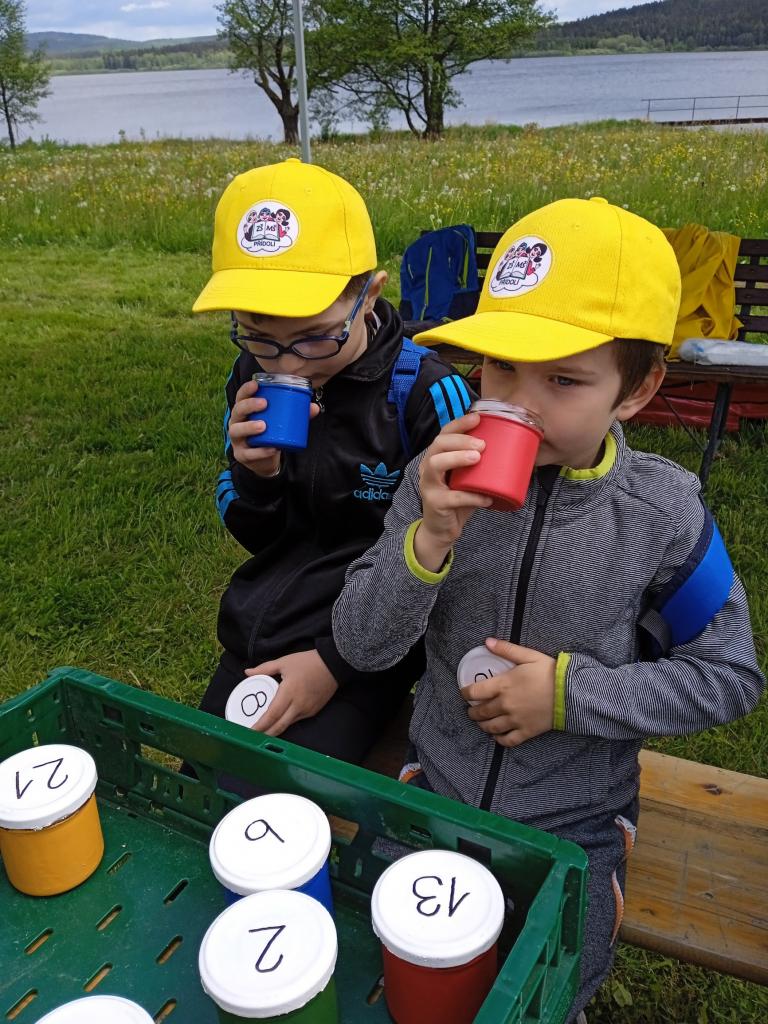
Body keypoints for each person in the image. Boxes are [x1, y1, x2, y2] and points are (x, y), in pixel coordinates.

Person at [332, 197, 765, 1022]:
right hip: (435, 789)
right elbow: (361, 642)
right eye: (500, 368)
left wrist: (571, 694)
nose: (519, 404)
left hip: (576, 823)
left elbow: (729, 676)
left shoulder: (663, 517)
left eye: (564, 380)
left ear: (637, 390)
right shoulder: (436, 477)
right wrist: (427, 542)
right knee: (380, 968)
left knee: (548, 985)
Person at [191, 157, 475, 765]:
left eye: (315, 337)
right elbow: (260, 537)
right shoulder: (250, 375)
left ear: (370, 294)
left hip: (375, 644)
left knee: (290, 788)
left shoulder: (426, 394)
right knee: (207, 774)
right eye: (259, 337)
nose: (288, 365)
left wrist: (334, 663)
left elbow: (459, 557)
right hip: (265, 626)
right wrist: (257, 478)